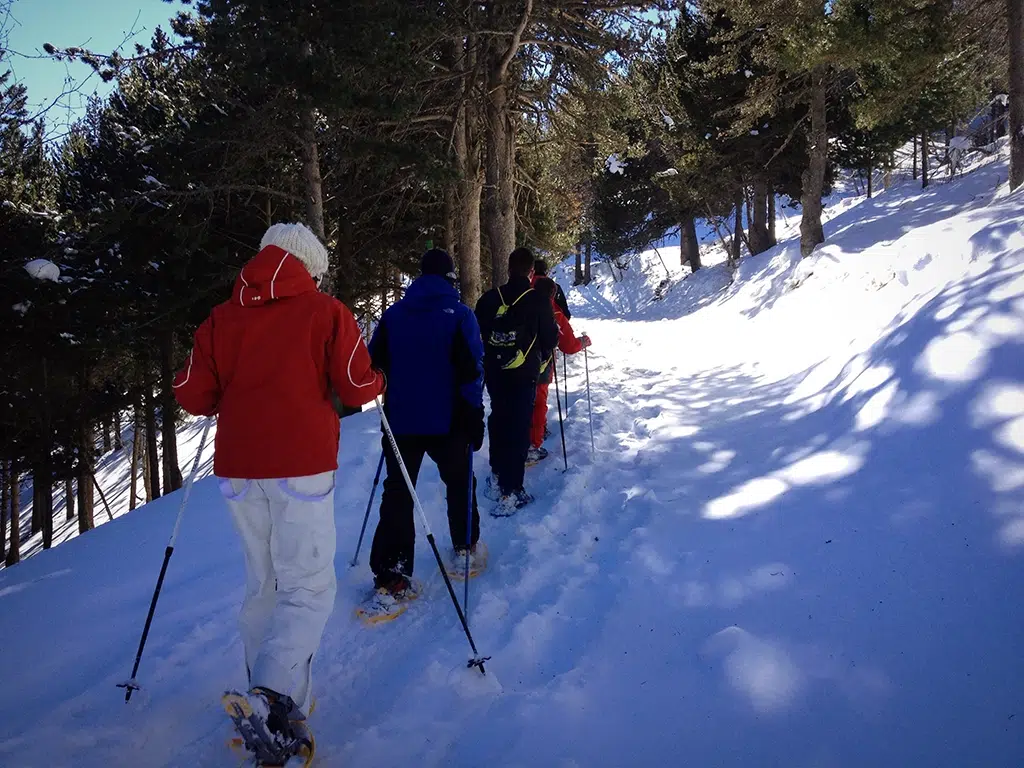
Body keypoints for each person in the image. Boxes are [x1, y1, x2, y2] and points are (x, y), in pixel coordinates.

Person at [173, 222, 384, 747]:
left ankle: (263, 696)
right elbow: (357, 386)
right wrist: (381, 378)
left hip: (240, 468)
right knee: (308, 585)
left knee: (262, 581)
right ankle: (275, 697)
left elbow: (192, 395)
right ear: (308, 267)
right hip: (302, 465)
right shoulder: (326, 311)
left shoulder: (221, 318)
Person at [366, 248, 486, 600]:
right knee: (460, 480)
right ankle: (465, 547)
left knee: (399, 492)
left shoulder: (393, 315)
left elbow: (373, 365)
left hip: (402, 421)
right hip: (449, 420)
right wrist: (474, 414)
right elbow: (473, 371)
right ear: (448, 278)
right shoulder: (461, 315)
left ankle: (392, 573)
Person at [475, 247, 559, 515]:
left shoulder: (489, 299)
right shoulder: (538, 300)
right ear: (531, 271)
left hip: (495, 372)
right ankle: (512, 490)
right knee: (519, 426)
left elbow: (477, 334)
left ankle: (497, 475)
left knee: (498, 418)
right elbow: (549, 339)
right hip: (523, 373)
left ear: (508, 268)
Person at [528, 277, 591, 463]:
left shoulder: (520, 304)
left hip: (514, 365)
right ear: (553, 294)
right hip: (541, 365)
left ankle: (514, 442)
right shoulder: (554, 312)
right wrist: (582, 342)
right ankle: (532, 445)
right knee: (538, 405)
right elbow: (569, 346)